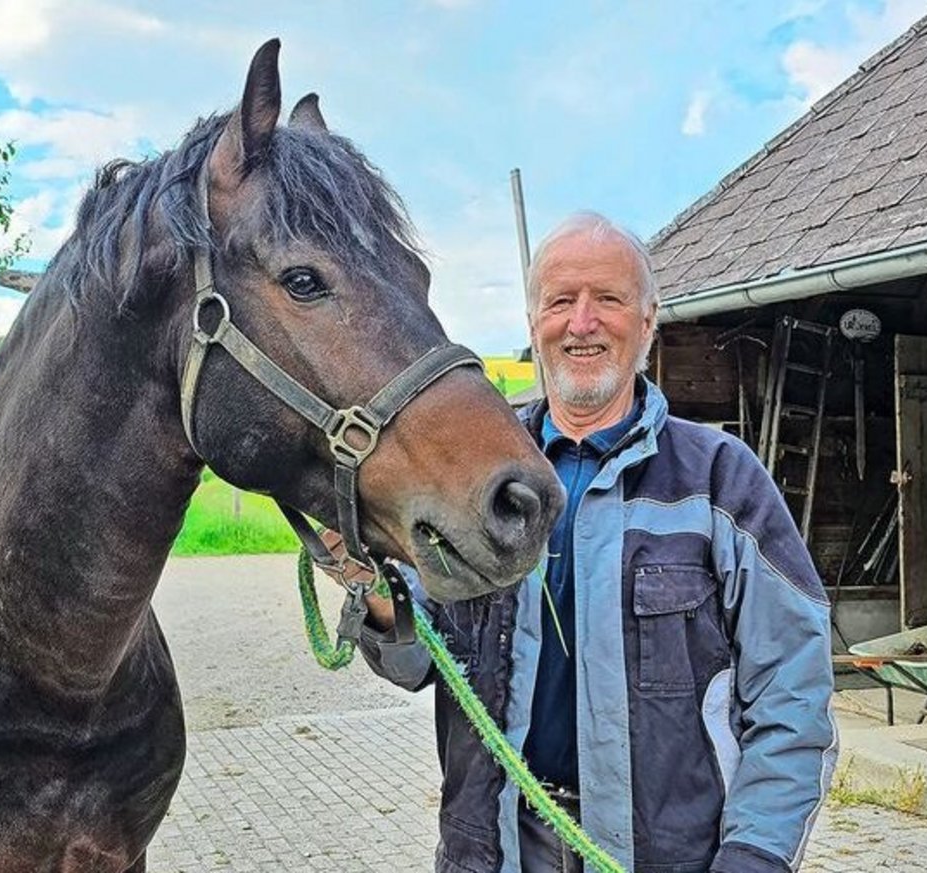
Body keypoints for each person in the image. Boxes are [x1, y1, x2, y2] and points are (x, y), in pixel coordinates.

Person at [341, 212, 837, 873]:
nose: (582, 323)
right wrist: (369, 587)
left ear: (648, 320)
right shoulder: (470, 474)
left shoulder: (720, 479)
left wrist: (755, 854)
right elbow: (415, 660)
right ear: (532, 322)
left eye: (608, 298)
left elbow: (792, 694)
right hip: (494, 852)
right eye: (560, 301)